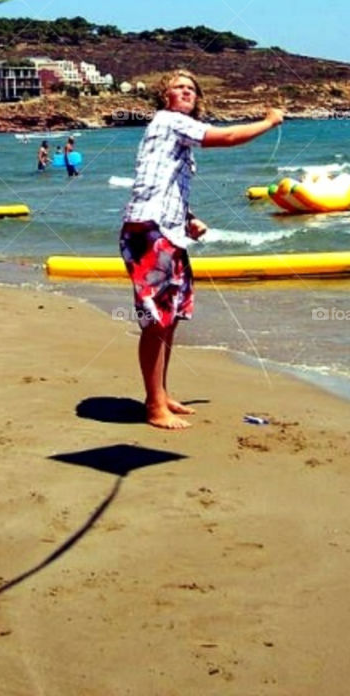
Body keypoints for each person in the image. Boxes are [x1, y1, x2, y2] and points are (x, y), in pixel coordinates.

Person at [119, 69, 282, 431]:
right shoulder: (170, 120)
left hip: (168, 231)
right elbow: (225, 136)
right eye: (179, 87)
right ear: (165, 97)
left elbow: (159, 182)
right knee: (156, 321)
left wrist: (188, 217)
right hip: (149, 231)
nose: (186, 91)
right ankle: (153, 406)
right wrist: (269, 122)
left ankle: (160, 395)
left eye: (192, 88)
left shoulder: (173, 133)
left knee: (170, 318)